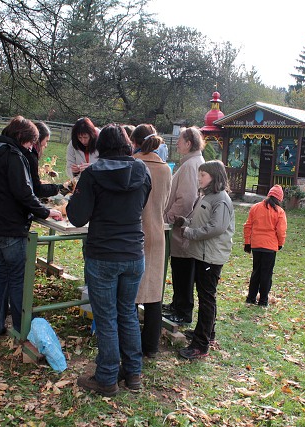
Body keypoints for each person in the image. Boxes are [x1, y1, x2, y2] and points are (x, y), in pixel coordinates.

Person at [67, 124, 151, 397]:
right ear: (127, 144)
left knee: (107, 318)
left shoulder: (92, 174)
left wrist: (75, 197)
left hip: (103, 253)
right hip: (132, 254)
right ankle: (133, 372)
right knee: (126, 313)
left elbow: (77, 216)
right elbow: (141, 204)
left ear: (101, 146)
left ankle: (106, 377)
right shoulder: (142, 171)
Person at [0, 116, 63, 337]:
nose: (30, 147)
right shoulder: (12, 156)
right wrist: (46, 211)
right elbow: (24, 192)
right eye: (29, 142)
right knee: (17, 277)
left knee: (0, 275)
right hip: (9, 224)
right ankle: (21, 324)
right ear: (20, 137)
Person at [175, 160, 234, 360]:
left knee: (207, 298)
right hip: (202, 253)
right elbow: (202, 221)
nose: (199, 178)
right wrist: (187, 221)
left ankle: (200, 345)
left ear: (215, 177)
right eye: (199, 174)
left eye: (203, 175)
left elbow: (215, 228)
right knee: (206, 296)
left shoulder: (221, 199)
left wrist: (190, 232)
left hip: (211, 256)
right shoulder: (207, 196)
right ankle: (207, 333)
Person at [131, 124, 172, 358]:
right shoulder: (165, 169)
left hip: (135, 233)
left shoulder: (134, 165)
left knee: (132, 294)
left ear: (134, 142)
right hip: (157, 233)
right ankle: (151, 347)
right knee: (154, 294)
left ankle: (131, 344)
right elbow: (164, 203)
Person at [162, 127, 206, 325]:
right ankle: (176, 304)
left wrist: (169, 216)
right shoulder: (191, 162)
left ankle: (183, 311)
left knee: (183, 269)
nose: (177, 143)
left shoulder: (191, 165)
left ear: (189, 143)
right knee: (179, 268)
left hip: (182, 227)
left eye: (180, 140)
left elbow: (187, 199)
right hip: (182, 226)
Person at [243, 185, 287, 307]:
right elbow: (281, 231)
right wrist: (280, 244)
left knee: (256, 271)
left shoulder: (255, 208)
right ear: (279, 199)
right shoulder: (279, 212)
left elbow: (248, 226)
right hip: (270, 247)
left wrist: (247, 242)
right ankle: (263, 300)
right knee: (266, 274)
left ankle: (251, 298)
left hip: (256, 245)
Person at [22, 121, 62, 198]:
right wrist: (57, 188)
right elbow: (36, 189)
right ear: (38, 139)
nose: (46, 145)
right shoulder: (30, 156)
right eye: (46, 141)